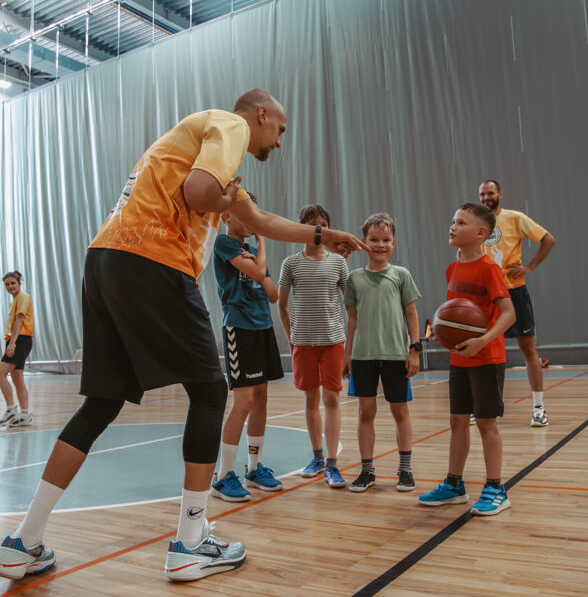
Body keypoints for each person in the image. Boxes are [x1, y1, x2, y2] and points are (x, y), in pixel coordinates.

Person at [0, 88, 365, 583]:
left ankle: (23, 541)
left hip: (106, 257)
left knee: (102, 402)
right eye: (280, 130)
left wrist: (323, 236)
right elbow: (198, 194)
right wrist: (227, 195)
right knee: (212, 392)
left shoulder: (203, 147)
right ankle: (191, 544)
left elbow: (258, 219)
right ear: (261, 116)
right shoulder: (230, 127)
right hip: (154, 259)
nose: (279, 142)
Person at [418, 203, 516, 515]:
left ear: (480, 233)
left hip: (486, 357)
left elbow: (509, 314)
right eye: (453, 221)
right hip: (459, 359)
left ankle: (495, 488)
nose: (453, 225)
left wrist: (482, 340)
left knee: (486, 422)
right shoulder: (452, 268)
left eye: (461, 222)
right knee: (457, 421)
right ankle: (454, 484)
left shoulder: (489, 268)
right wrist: (439, 331)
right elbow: (455, 315)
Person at [211, 192, 284, 502]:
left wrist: (259, 256)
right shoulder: (223, 244)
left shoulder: (252, 250)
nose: (253, 221)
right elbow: (257, 273)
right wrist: (264, 243)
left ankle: (254, 466)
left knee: (262, 398)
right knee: (244, 400)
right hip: (239, 327)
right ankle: (224, 474)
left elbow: (272, 294)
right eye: (246, 214)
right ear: (227, 216)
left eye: (255, 215)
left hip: (262, 326)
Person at [342, 213, 421, 493]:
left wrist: (414, 350)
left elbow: (412, 314)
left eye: (386, 240)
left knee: (400, 411)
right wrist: (347, 353)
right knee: (366, 412)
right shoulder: (354, 279)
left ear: (393, 243)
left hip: (396, 355)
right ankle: (367, 471)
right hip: (363, 356)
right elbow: (351, 319)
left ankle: (405, 470)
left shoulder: (401, 275)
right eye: (374, 239)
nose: (380, 244)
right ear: (363, 243)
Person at [278, 204, 349, 488]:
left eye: (323, 223)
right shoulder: (291, 264)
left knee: (331, 400)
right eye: (312, 223)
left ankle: (332, 464)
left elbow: (350, 305)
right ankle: (317, 458)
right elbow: (282, 306)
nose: (318, 228)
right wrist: (292, 336)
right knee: (310, 400)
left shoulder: (339, 262)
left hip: (333, 340)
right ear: (303, 228)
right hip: (303, 342)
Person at [479, 180, 556, 427]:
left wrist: (529, 266)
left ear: (500, 194)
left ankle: (538, 408)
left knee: (528, 348)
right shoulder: (477, 222)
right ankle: (485, 407)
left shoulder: (514, 217)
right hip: (487, 294)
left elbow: (548, 239)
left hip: (514, 291)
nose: (486, 197)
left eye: (490, 193)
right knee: (487, 352)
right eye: (482, 194)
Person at [0, 271, 34, 428]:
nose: (10, 286)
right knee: (17, 377)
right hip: (19, 340)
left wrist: (12, 343)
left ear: (19, 282)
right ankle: (25, 415)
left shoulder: (22, 297)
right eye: (7, 284)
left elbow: (20, 320)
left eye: (13, 283)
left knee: (0, 373)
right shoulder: (14, 300)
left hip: (20, 340)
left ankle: (11, 410)